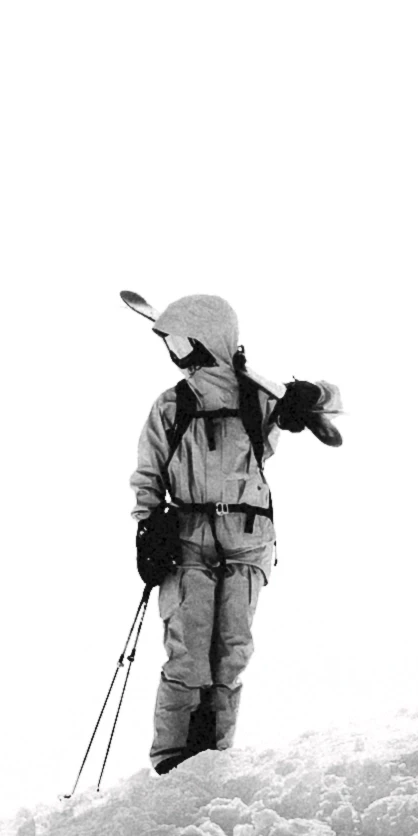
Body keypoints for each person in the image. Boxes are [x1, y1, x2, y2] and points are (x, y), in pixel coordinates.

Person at [123, 292, 344, 773]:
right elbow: (148, 473)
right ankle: (172, 762)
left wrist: (307, 396)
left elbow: (334, 402)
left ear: (209, 341)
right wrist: (147, 528)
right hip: (187, 540)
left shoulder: (259, 398)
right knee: (188, 654)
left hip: (246, 539)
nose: (179, 357)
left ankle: (211, 761)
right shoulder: (172, 405)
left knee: (231, 655)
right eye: (174, 347)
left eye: (184, 345)